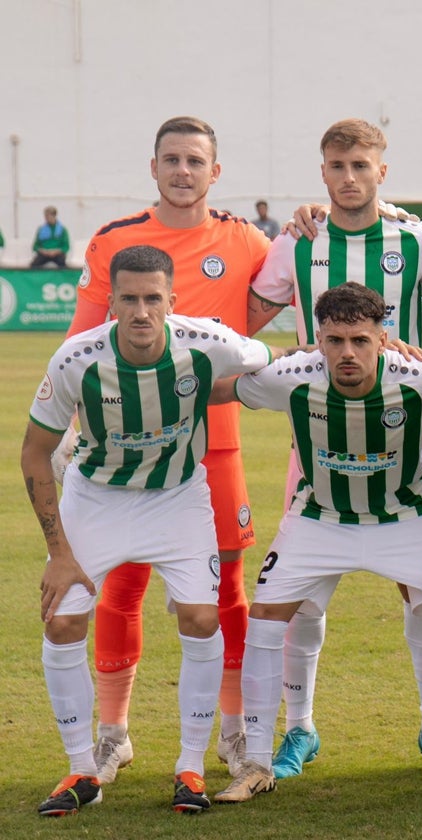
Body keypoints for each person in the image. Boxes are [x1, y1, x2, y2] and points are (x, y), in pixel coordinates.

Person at [22, 244, 275, 815]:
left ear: (172, 300)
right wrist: (59, 552)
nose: (141, 311)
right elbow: (35, 454)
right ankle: (81, 771)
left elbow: (272, 357)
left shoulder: (209, 343)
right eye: (129, 299)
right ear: (110, 302)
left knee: (202, 616)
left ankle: (189, 766)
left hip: (178, 498)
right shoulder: (75, 360)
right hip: (96, 499)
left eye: (152, 299)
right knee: (62, 621)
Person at [212, 283, 422, 802]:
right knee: (265, 620)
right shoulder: (291, 377)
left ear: (384, 338)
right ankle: (257, 763)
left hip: (407, 515)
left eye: (361, 339)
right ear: (318, 339)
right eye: (334, 340)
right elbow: (219, 388)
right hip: (320, 517)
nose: (347, 353)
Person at [67, 116, 273, 785]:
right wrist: (74, 426)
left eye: (196, 161)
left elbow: (293, 281)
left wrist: (311, 219)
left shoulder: (245, 240)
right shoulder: (114, 241)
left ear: (216, 172)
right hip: (124, 450)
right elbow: (80, 342)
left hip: (213, 446)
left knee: (225, 593)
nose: (183, 171)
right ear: (153, 167)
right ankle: (113, 733)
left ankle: (234, 731)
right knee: (120, 584)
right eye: (172, 160)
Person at [245, 118, 422, 780]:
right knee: (301, 598)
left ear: (381, 171)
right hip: (317, 450)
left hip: (402, 444)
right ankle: (298, 730)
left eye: (361, 164)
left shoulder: (415, 242)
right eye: (337, 166)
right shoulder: (295, 243)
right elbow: (243, 321)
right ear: (322, 171)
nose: (349, 176)